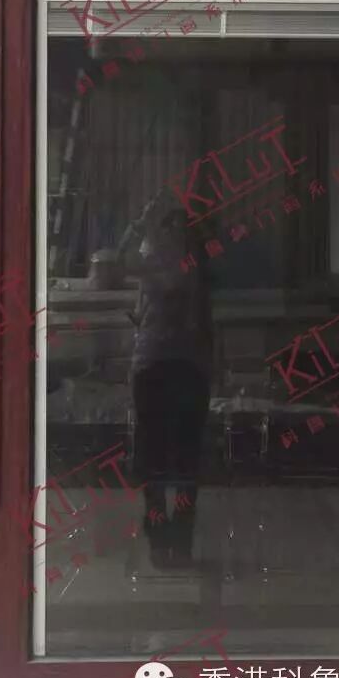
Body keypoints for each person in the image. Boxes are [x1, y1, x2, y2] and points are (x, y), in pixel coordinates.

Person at [125, 203, 213, 569]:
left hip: (176, 364)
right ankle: (167, 540)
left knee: (171, 459)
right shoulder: (169, 264)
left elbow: (125, 265)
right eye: (168, 225)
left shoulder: (178, 266)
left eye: (177, 226)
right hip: (164, 363)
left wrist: (139, 227)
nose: (171, 232)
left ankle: (172, 540)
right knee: (163, 459)